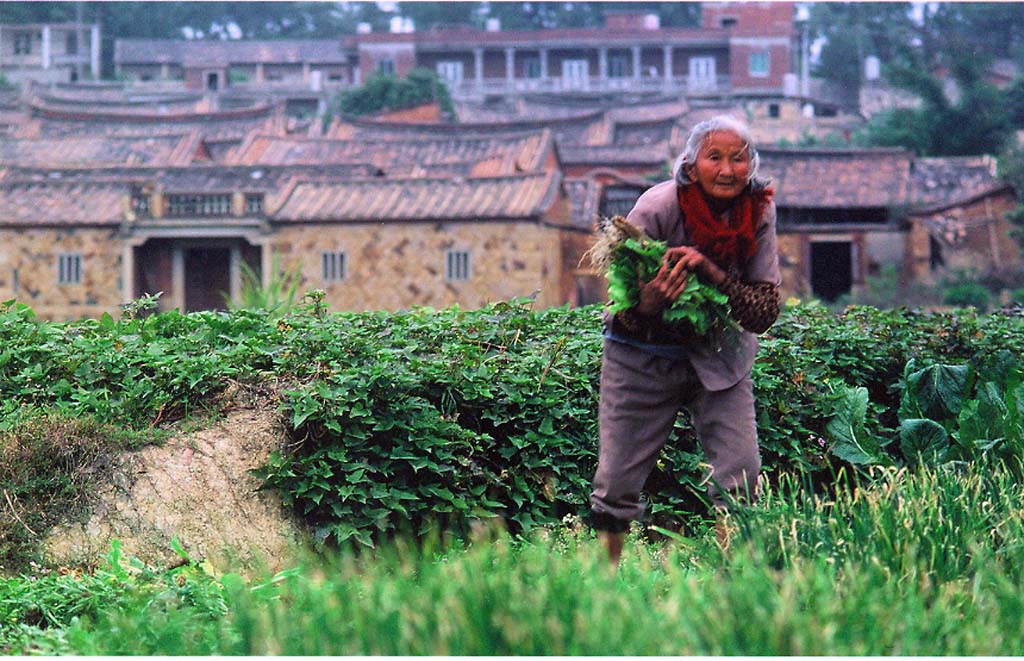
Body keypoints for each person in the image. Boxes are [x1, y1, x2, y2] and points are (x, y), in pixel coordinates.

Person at [588, 115, 781, 567]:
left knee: (741, 475)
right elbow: (623, 315)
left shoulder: (759, 213)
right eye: (715, 158)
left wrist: (712, 274)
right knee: (616, 481)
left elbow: (764, 312)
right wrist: (651, 302)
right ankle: (603, 581)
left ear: (751, 165)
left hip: (721, 355)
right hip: (642, 358)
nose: (729, 170)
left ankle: (736, 581)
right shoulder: (654, 210)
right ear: (692, 167)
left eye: (739, 159)